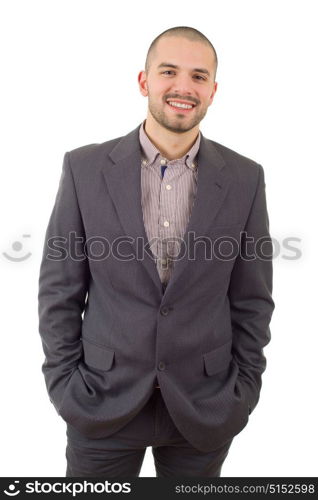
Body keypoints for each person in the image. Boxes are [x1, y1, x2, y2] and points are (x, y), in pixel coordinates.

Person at [38, 26, 275, 477]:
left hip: (205, 407)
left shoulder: (246, 177)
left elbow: (252, 298)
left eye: (199, 77)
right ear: (145, 81)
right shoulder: (84, 168)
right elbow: (59, 291)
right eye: (169, 72)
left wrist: (241, 391)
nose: (184, 87)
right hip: (101, 399)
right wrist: (65, 385)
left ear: (213, 91)